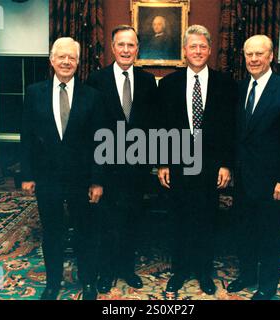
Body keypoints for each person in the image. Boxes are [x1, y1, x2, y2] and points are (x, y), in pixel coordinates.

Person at [21, 37, 105, 300]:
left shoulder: (92, 96)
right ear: (52, 60)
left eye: (72, 57)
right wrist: (27, 176)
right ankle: (52, 283)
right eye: (61, 57)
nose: (66, 62)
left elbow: (101, 141)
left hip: (82, 179)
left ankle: (88, 282)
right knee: (53, 233)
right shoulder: (35, 92)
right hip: (48, 179)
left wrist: (97, 181)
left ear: (78, 62)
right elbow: (28, 138)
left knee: (85, 232)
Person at [157, 25, 237, 295]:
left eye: (203, 46)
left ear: (210, 50)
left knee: (207, 219)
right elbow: (162, 128)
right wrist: (163, 163)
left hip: (211, 165)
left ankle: (204, 271)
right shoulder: (169, 84)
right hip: (178, 164)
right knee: (178, 219)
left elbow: (231, 128)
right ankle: (179, 270)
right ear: (185, 51)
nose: (198, 51)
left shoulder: (226, 84)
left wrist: (226, 163)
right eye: (193, 46)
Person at [228, 35, 280, 300]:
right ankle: (247, 274)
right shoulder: (239, 88)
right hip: (244, 178)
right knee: (244, 231)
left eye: (259, 54)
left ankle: (268, 285)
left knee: (270, 235)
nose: (254, 59)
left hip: (273, 182)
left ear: (271, 56)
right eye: (249, 54)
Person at [85, 25, 158, 294]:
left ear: (138, 50)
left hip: (137, 168)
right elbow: (90, 130)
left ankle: (128, 269)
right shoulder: (96, 80)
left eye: (131, 45)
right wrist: (95, 175)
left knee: (132, 220)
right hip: (106, 167)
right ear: (112, 47)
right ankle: (106, 271)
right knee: (105, 223)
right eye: (121, 45)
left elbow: (154, 127)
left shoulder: (148, 81)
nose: (126, 50)